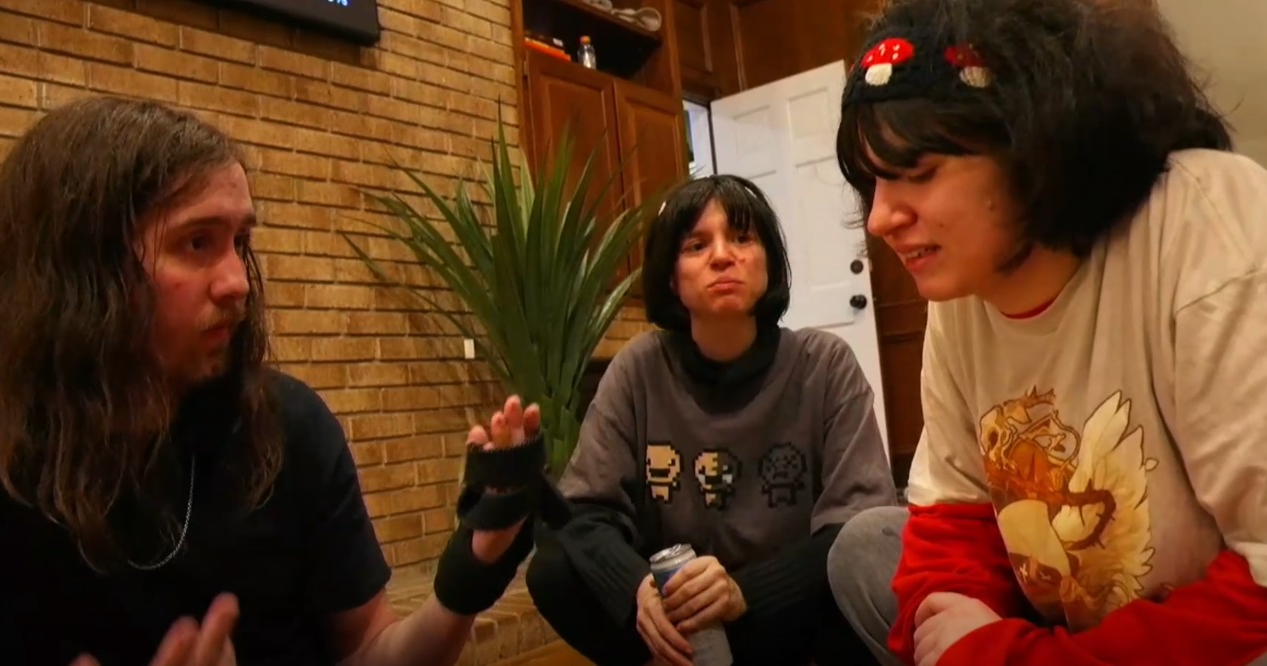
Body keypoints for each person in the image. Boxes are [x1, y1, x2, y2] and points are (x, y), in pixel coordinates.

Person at [0, 95, 567, 666]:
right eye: (196, 242)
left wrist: (470, 574)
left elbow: (369, 649)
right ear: (86, 266)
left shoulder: (287, 428)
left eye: (239, 241)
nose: (237, 282)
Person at [823, 0, 1267, 665]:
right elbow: (951, 519)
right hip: (1069, 622)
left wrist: (1008, 657)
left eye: (918, 174)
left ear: (1032, 147)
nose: (880, 220)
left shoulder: (1205, 223)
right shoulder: (965, 280)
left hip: (1214, 623)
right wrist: (973, 636)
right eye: (873, 184)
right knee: (864, 548)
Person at [525, 174, 899, 665]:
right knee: (553, 568)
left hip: (784, 614)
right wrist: (637, 589)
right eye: (696, 245)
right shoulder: (639, 368)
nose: (722, 256)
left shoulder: (823, 364)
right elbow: (586, 511)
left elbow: (857, 526)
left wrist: (743, 594)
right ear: (671, 278)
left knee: (865, 560)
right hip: (678, 616)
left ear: (769, 262)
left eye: (742, 238)